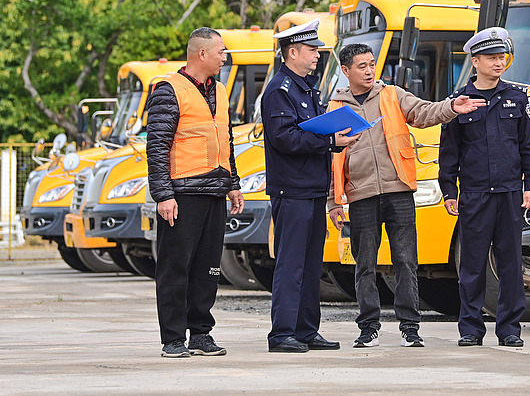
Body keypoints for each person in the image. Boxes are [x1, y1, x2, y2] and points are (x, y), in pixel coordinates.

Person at [327, 43, 485, 349]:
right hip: (361, 195)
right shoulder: (335, 108)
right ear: (346, 72)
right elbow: (331, 160)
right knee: (365, 265)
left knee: (405, 261)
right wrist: (334, 201)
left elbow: (424, 112)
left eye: (372, 64)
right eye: (362, 66)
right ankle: (368, 327)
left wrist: (452, 107)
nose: (370, 70)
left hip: (398, 189)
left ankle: (410, 328)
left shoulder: (391, 94)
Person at [438, 27, 530, 348]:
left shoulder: (517, 98)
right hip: (475, 196)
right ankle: (470, 328)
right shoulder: (460, 104)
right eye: (492, 59)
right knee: (471, 266)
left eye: (502, 58)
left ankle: (510, 329)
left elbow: (529, 146)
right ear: (475, 61)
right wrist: (449, 191)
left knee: (511, 264)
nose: (499, 64)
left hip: (511, 194)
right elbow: (449, 152)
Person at [147, 27, 245, 358]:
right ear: (201, 54)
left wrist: (234, 184)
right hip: (182, 194)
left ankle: (201, 333)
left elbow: (226, 141)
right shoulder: (168, 89)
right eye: (220, 51)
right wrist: (163, 194)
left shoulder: (219, 90)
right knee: (175, 268)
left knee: (207, 269)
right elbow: (157, 146)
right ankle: (173, 338)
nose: (224, 57)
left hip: (214, 192)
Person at [262, 18, 358, 353]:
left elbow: (313, 132)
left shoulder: (306, 87)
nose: (317, 55)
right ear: (292, 52)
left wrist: (335, 140)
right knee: (291, 264)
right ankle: (282, 333)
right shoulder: (280, 90)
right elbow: (284, 138)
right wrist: (328, 138)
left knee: (311, 264)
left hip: (312, 187)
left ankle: (305, 330)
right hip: (293, 189)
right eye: (311, 50)